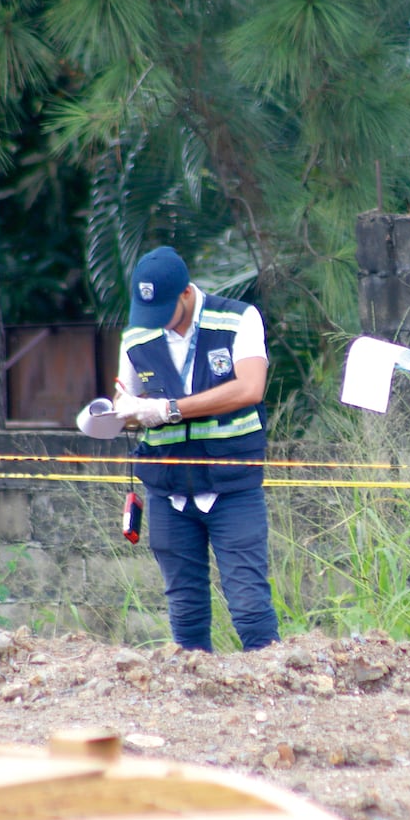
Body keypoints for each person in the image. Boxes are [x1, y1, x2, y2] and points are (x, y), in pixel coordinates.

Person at [113, 246, 280, 652]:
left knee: (249, 607)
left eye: (164, 312)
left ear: (186, 294)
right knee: (184, 611)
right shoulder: (137, 336)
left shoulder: (239, 319)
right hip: (167, 488)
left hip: (231, 485)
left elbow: (249, 388)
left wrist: (168, 410)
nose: (156, 325)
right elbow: (126, 402)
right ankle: (192, 705)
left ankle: (273, 693)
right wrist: (124, 413)